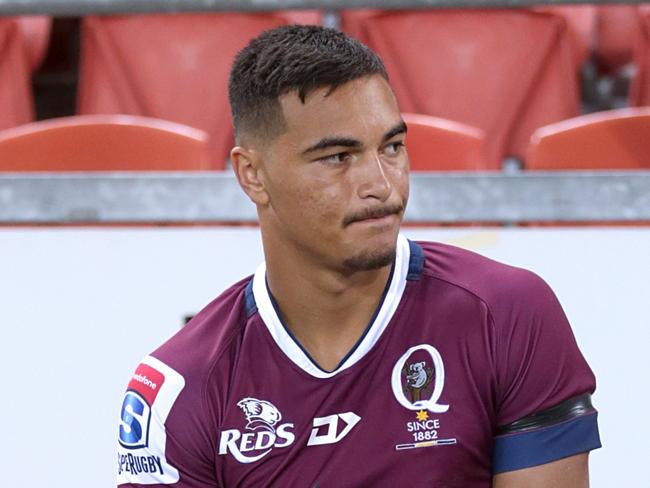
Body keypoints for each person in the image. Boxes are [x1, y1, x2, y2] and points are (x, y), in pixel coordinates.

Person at [116, 25, 600, 487]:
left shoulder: (507, 313)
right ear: (252, 175)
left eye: (392, 147)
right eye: (338, 157)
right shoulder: (178, 386)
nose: (381, 185)